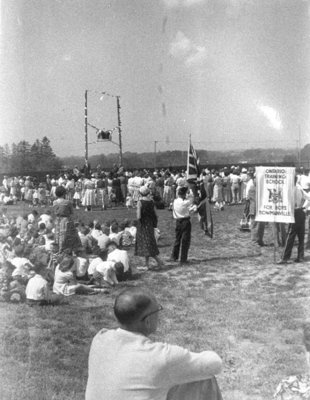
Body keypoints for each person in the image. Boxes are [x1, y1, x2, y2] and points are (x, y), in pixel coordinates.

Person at [85, 287, 223, 400]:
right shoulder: (162, 356)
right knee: (204, 378)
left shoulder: (100, 338)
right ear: (148, 321)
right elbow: (215, 364)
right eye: (158, 310)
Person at [278, 178, 308, 264]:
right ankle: (300, 256)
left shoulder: (291, 189)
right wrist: (304, 207)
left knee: (290, 236)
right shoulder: (299, 188)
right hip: (301, 212)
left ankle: (285, 257)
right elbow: (308, 197)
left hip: (294, 213)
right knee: (301, 236)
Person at [135, 186, 163, 270]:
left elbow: (138, 216)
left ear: (140, 193)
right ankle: (146, 264)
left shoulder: (140, 202)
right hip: (150, 224)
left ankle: (159, 262)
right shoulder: (151, 201)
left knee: (146, 244)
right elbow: (156, 214)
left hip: (143, 225)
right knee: (148, 243)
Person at [170, 186, 195, 265]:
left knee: (177, 239)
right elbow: (192, 198)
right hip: (185, 221)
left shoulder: (175, 201)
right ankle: (183, 259)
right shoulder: (185, 202)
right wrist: (190, 192)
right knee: (185, 240)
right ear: (184, 194)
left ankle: (174, 256)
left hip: (178, 221)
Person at [53, 186, 82, 253]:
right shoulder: (67, 202)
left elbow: (55, 212)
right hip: (66, 220)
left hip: (58, 220)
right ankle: (70, 249)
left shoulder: (54, 202)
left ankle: (59, 248)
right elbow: (71, 212)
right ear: (64, 193)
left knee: (58, 234)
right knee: (68, 235)